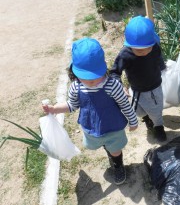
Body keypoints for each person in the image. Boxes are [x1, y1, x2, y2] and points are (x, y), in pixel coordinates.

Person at [42, 38, 138, 185]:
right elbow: (72, 105)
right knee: (98, 145)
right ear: (75, 71)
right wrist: (55, 109)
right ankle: (108, 150)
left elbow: (124, 104)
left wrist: (133, 121)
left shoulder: (112, 85)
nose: (91, 81)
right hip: (92, 126)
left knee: (115, 150)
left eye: (95, 75)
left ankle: (118, 165)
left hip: (113, 127)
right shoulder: (76, 87)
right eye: (86, 77)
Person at [109, 16, 167, 142]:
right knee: (138, 111)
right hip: (136, 89)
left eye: (147, 48)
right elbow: (114, 72)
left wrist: (163, 69)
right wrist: (119, 85)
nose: (144, 52)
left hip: (154, 87)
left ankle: (158, 127)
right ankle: (146, 118)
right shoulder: (125, 54)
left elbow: (159, 59)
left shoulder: (155, 47)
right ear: (130, 45)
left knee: (156, 111)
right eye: (138, 50)